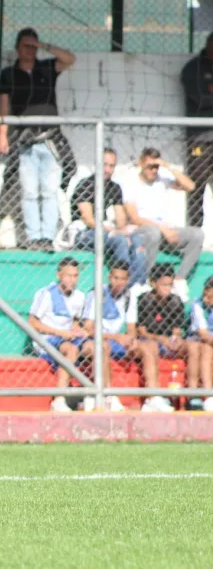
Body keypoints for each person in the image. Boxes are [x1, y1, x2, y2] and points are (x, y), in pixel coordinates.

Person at [0, 28, 76, 250]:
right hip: (24, 140)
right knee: (29, 191)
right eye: (25, 46)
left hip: (50, 140)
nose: (29, 50)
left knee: (50, 190)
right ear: (17, 48)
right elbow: (4, 107)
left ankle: (48, 237)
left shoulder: (47, 67)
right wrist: (3, 136)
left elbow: (70, 59)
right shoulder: (8, 74)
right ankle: (33, 237)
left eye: (33, 46)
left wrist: (43, 46)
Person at [29, 257, 123, 412]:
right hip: (47, 338)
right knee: (71, 350)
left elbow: (73, 321)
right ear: (59, 275)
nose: (72, 280)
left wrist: (78, 330)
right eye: (68, 275)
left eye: (75, 276)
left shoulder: (79, 296)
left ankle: (107, 395)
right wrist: (60, 332)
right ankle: (59, 399)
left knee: (100, 346)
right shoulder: (46, 293)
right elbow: (33, 322)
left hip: (68, 337)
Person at [82, 261, 171, 412]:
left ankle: (152, 397)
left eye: (123, 279)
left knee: (150, 346)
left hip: (118, 340)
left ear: (128, 280)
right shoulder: (96, 294)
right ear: (109, 277)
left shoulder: (129, 296)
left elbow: (131, 327)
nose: (119, 282)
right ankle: (108, 396)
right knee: (103, 347)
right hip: (100, 339)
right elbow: (88, 328)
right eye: (115, 278)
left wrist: (131, 339)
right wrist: (115, 336)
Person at [122, 148, 202, 301]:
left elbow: (190, 186)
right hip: (143, 230)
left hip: (165, 230)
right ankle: (149, 280)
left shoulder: (161, 179)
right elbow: (134, 218)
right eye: (150, 166)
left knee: (197, 234)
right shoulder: (131, 183)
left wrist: (168, 166)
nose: (153, 170)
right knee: (153, 232)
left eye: (156, 167)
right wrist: (162, 228)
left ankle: (179, 280)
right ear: (141, 164)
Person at [70, 148, 147, 289]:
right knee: (119, 239)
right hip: (83, 233)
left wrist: (120, 229)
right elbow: (88, 219)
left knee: (137, 240)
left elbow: (121, 220)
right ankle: (122, 284)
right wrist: (114, 231)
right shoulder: (85, 185)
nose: (107, 169)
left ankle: (137, 286)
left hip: (105, 231)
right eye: (104, 164)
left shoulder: (115, 187)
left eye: (111, 166)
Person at [134, 263, 206, 410]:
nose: (167, 289)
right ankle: (153, 397)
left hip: (170, 342)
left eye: (170, 285)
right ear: (153, 283)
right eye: (164, 285)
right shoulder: (144, 300)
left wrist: (176, 338)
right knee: (151, 347)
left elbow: (177, 329)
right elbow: (141, 331)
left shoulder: (175, 301)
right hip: (152, 340)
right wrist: (161, 339)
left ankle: (192, 395)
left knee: (193, 346)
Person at [180, 31, 213, 227]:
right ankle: (194, 232)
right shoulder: (193, 68)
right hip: (199, 138)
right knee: (196, 186)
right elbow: (201, 100)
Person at [184, 276, 213, 412]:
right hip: (197, 340)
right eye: (207, 296)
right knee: (204, 348)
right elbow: (203, 334)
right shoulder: (197, 304)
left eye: (212, 298)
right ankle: (205, 396)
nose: (209, 300)